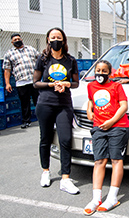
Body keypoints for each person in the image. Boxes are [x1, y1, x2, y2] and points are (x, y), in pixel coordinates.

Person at [33, 27, 80, 194]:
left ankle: (65, 178)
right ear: (48, 40)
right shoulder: (42, 59)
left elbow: (76, 83)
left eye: (58, 37)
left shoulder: (71, 60)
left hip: (64, 104)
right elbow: (36, 82)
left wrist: (66, 84)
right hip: (45, 103)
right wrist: (51, 84)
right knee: (45, 138)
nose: (55, 40)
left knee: (65, 140)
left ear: (64, 40)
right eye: (52, 37)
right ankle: (45, 171)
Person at [83, 60, 129, 215]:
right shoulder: (91, 86)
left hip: (118, 126)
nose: (100, 73)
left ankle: (112, 197)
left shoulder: (116, 86)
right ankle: (96, 199)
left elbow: (124, 106)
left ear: (110, 73)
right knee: (99, 161)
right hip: (98, 127)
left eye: (104, 71)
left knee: (116, 160)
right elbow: (91, 100)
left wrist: (111, 121)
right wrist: (89, 111)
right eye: (98, 70)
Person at [3, 33, 39, 129]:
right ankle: (26, 121)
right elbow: (7, 70)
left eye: (18, 39)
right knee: (24, 103)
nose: (17, 40)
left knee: (38, 101)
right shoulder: (9, 54)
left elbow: (40, 60)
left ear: (22, 39)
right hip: (21, 82)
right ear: (12, 42)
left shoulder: (31, 49)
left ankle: (42, 119)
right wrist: (7, 83)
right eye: (15, 40)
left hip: (34, 81)